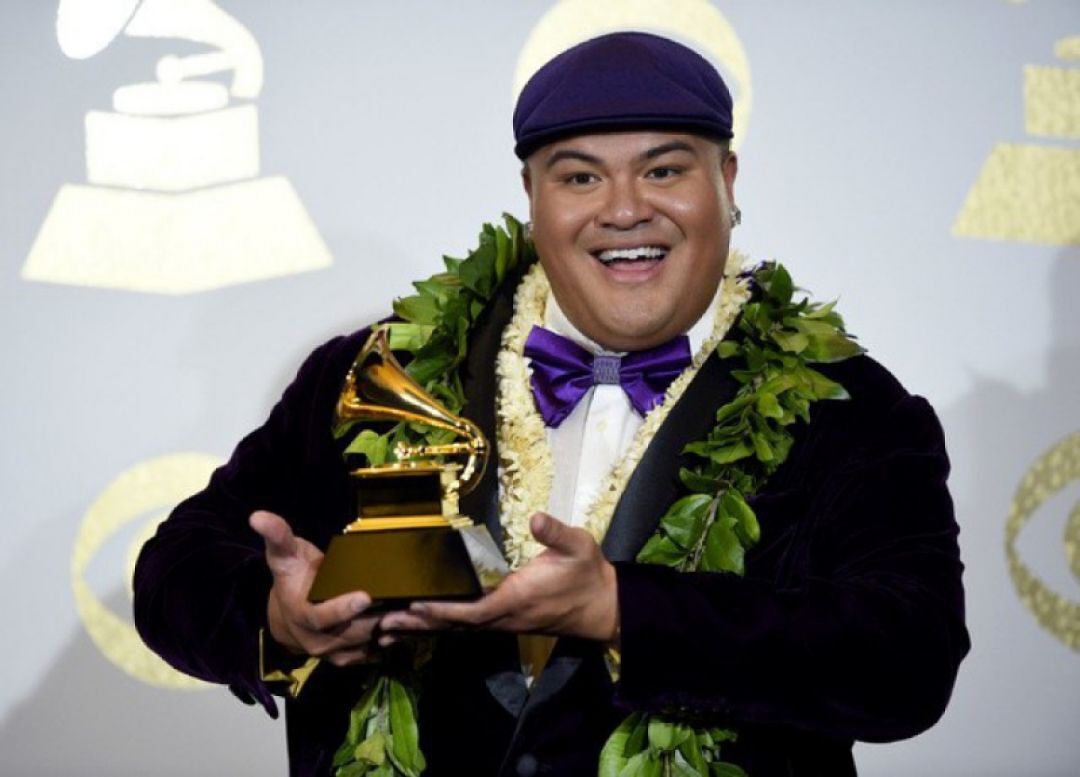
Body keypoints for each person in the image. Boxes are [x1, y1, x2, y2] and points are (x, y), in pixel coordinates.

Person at [133, 31, 969, 777]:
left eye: (665, 169)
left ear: (727, 180)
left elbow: (909, 659)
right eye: (580, 176)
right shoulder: (378, 370)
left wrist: (621, 609)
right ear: (532, 196)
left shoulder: (849, 407)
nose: (624, 208)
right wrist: (277, 618)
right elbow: (173, 573)